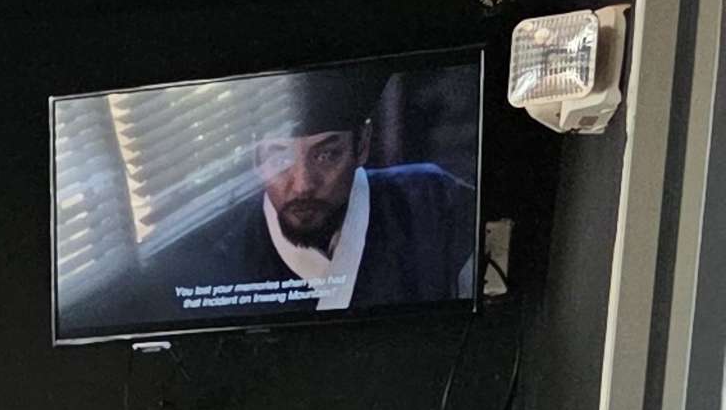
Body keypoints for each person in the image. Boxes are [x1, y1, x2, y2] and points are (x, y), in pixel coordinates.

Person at [71, 64, 479, 334]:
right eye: (279, 155)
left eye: (327, 153)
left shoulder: (429, 199)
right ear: (254, 158)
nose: (302, 184)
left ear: (363, 145)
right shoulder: (209, 262)